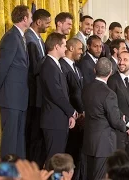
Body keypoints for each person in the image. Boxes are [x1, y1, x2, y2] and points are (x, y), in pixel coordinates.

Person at [0, 5, 32, 158]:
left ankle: (18, 173)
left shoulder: (20, 37)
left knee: (19, 140)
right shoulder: (11, 37)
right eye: (30, 16)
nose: (32, 19)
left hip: (20, 98)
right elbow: (2, 67)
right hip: (10, 98)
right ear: (25, 18)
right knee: (10, 141)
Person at [81, 57, 127, 180]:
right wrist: (124, 125)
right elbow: (115, 120)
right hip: (103, 144)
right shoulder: (109, 93)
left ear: (95, 70)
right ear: (111, 72)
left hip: (88, 141)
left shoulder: (87, 88)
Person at [40, 33, 77, 160]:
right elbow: (56, 94)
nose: (66, 48)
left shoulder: (55, 64)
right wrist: (71, 111)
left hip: (59, 120)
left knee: (58, 159)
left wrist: (69, 115)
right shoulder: (49, 65)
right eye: (64, 45)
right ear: (56, 46)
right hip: (53, 121)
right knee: (54, 160)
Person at [24, 8, 51, 167]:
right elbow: (34, 68)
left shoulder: (39, 39)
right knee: (32, 136)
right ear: (38, 21)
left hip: (39, 96)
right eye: (47, 23)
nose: (48, 26)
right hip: (32, 96)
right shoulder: (29, 39)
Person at [107, 51, 129, 160]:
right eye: (119, 59)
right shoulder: (112, 80)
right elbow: (113, 107)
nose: (121, 62)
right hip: (120, 132)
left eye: (125, 60)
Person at [59, 38, 84, 180]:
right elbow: (67, 94)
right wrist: (75, 113)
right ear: (71, 48)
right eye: (80, 48)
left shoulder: (76, 67)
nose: (82, 51)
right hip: (70, 118)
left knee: (76, 155)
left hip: (79, 118)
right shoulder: (62, 66)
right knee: (68, 155)